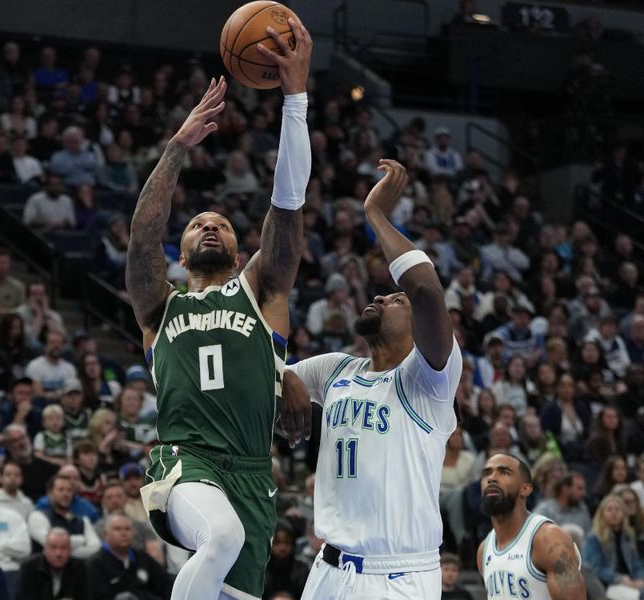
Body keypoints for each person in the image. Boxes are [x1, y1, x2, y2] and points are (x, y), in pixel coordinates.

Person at [127, 20, 312, 600]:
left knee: (232, 573)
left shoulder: (262, 291)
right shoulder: (161, 306)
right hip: (185, 462)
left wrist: (294, 100)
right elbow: (140, 239)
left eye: (223, 223)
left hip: (254, 473)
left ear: (238, 248)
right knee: (221, 537)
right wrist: (177, 148)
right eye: (198, 224)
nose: (210, 225)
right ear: (179, 253)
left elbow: (286, 206)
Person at [280, 157, 461, 598]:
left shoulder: (429, 377)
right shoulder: (337, 369)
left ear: (419, 326)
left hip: (397, 574)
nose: (380, 295)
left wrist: (375, 214)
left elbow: (425, 289)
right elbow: (256, 374)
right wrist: (279, 376)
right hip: (327, 568)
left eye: (395, 300)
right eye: (383, 294)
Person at [478, 453, 586, 598]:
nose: (491, 479)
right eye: (486, 474)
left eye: (504, 472)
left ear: (525, 489)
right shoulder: (484, 550)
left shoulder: (548, 539)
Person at [86, 513, 173, 600]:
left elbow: (165, 582)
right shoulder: (96, 563)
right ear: (105, 534)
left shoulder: (142, 557)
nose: (123, 533)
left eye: (127, 529)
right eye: (118, 529)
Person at [583, 494, 644, 599]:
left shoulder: (628, 535)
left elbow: (636, 563)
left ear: (623, 513)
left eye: (617, 509)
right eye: (609, 509)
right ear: (602, 513)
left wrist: (640, 579)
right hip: (608, 584)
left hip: (631, 581)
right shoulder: (593, 538)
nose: (614, 512)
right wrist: (619, 579)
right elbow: (594, 569)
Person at [27, 474, 101, 559]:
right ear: (50, 494)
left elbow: (96, 548)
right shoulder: (37, 516)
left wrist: (64, 553)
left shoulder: (83, 520)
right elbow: (50, 543)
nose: (66, 494)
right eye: (61, 490)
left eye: (69, 490)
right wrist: (82, 540)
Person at [15, 527, 88, 600]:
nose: (58, 554)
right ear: (44, 549)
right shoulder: (29, 568)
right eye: (53, 548)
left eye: (63, 548)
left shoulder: (79, 567)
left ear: (70, 550)